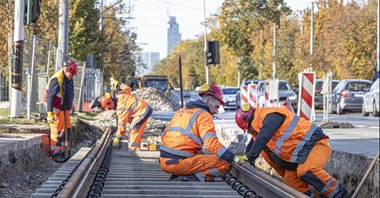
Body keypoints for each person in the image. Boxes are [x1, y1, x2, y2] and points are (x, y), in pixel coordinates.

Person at [234, 103, 348, 197]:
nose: (250, 133)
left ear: (249, 124)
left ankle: (340, 194)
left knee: (307, 170)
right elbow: (254, 144)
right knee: (290, 183)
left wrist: (249, 157)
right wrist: (246, 158)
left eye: (249, 130)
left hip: (317, 145)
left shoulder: (271, 116)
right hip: (298, 159)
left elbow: (262, 137)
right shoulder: (261, 129)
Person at [159, 84, 236, 182]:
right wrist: (229, 156)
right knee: (223, 163)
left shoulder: (181, 111)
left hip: (164, 162)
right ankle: (187, 178)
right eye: (216, 107)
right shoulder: (204, 115)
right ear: (207, 100)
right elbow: (211, 143)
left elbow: (164, 136)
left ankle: (180, 173)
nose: (216, 111)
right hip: (178, 163)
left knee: (202, 153)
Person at [45, 60, 78, 163]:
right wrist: (50, 113)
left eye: (72, 75)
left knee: (67, 130)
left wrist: (71, 104)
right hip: (56, 109)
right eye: (70, 74)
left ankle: (63, 150)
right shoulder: (56, 79)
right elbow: (50, 97)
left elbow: (68, 93)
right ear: (65, 69)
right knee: (57, 132)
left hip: (65, 109)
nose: (71, 76)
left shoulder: (69, 78)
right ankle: (55, 153)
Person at [110, 77, 153, 150]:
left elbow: (122, 124)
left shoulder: (121, 106)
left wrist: (117, 137)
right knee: (136, 131)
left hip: (142, 111)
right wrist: (118, 84)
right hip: (143, 110)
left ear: (111, 103)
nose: (110, 109)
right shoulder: (122, 94)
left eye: (109, 108)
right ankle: (136, 148)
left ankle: (133, 150)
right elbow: (128, 88)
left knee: (134, 130)